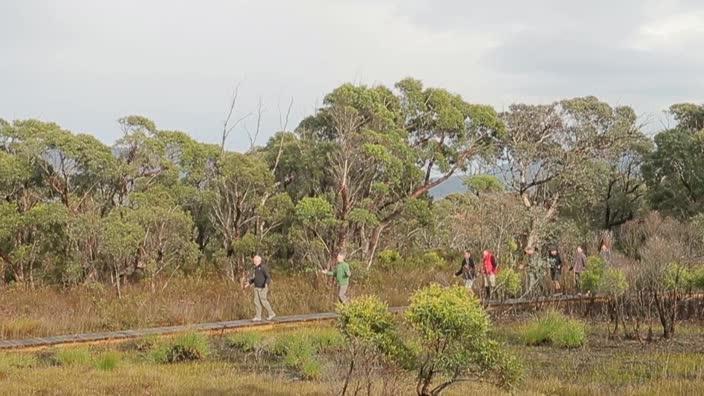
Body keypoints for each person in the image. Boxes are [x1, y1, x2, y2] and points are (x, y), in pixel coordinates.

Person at [244, 255, 276, 322]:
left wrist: (266, 283)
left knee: (263, 300)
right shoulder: (255, 268)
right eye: (254, 260)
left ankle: (271, 313)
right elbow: (255, 278)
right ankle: (258, 316)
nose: (254, 261)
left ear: (258, 260)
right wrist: (248, 283)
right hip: (256, 287)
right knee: (256, 302)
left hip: (263, 287)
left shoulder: (263, 267)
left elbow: (268, 277)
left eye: (255, 260)